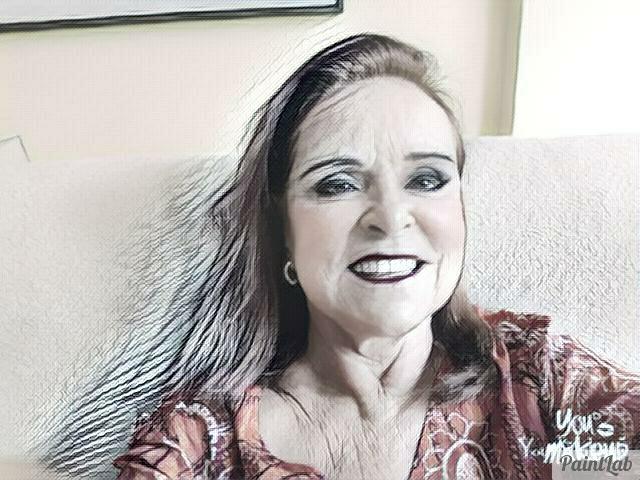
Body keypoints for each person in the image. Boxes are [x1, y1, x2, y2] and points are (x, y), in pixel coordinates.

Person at [108, 34, 640, 480]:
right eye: (337, 184)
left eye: (426, 179)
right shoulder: (198, 444)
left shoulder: (536, 381)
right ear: (282, 231)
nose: (390, 217)